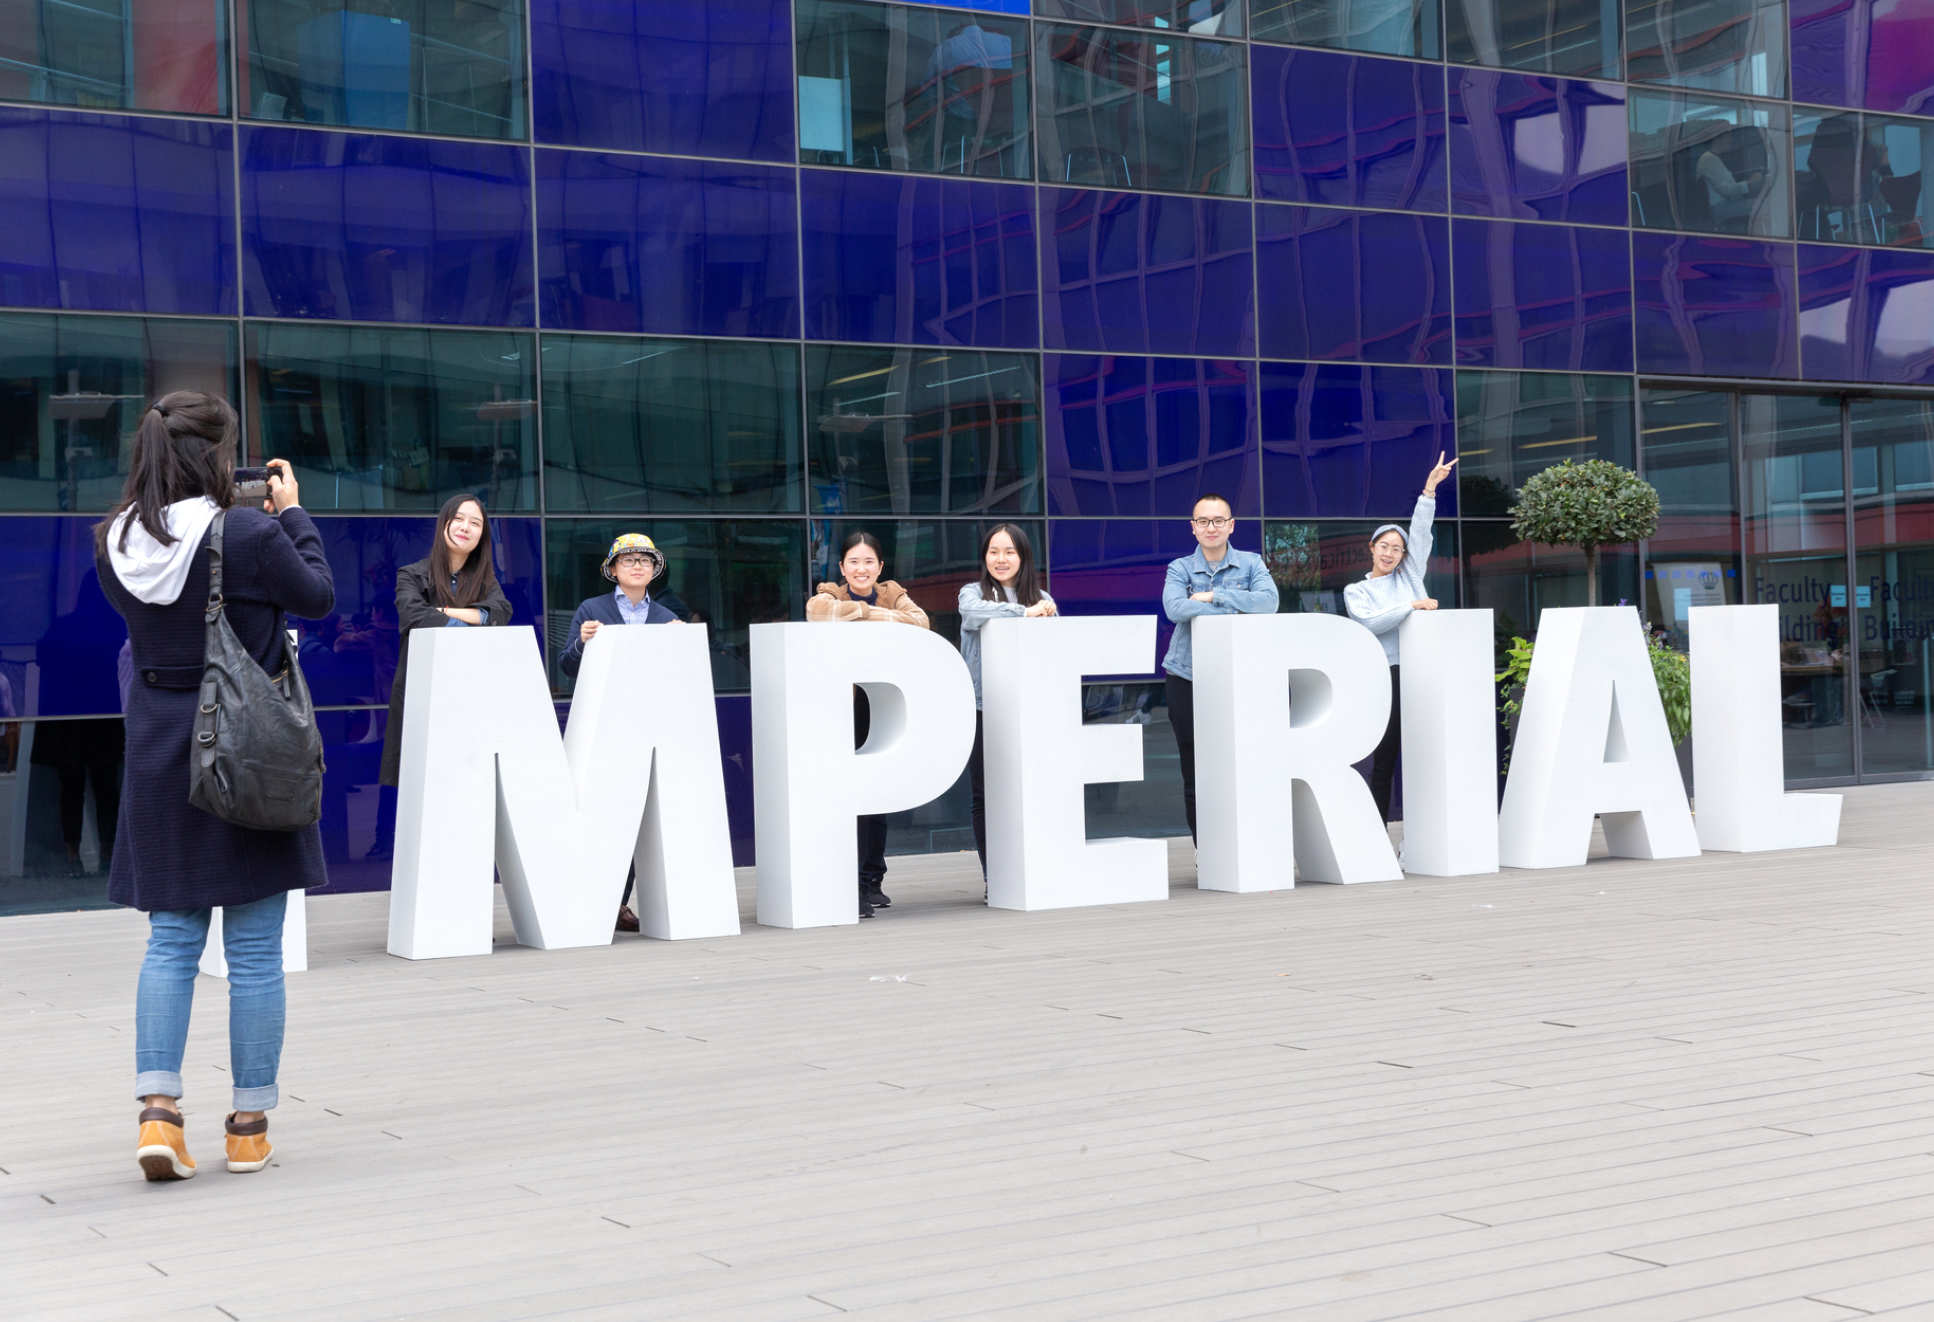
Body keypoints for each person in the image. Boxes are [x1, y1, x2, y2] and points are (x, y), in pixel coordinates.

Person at [93, 391, 334, 1182]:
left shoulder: (115, 540)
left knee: (171, 942)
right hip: (246, 744)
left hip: (163, 748)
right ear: (215, 454)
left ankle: (158, 1115)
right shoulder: (251, 530)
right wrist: (292, 514)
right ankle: (248, 1128)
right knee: (256, 951)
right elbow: (317, 597)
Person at [807, 531, 930, 919]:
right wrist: (865, 613)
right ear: (842, 568)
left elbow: (920, 622)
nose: (862, 569)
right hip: (840, 707)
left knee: (876, 793)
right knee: (848, 795)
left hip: (880, 705)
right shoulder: (830, 593)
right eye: (854, 562)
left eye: (869, 562)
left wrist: (867, 613)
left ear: (880, 567)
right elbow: (816, 612)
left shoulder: (892, 593)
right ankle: (848, 881)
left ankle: (871, 878)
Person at [559, 533, 678, 933]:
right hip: (604, 729)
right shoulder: (591, 610)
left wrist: (684, 641)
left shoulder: (665, 616)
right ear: (612, 570)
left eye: (645, 560)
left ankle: (620, 903)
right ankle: (597, 901)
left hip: (651, 729)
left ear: (654, 569)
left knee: (643, 819)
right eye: (627, 561)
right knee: (602, 815)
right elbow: (566, 666)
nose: (637, 566)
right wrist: (581, 643)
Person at [1343, 452, 1458, 825]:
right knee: (1385, 758)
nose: (1391, 553)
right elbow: (1370, 623)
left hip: (1419, 672)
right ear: (1372, 549)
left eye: (1397, 548)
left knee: (1427, 756)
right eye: (1385, 546)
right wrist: (1412, 606)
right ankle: (1376, 832)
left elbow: (1421, 533)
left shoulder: (1410, 577)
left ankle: (1426, 839)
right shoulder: (1355, 591)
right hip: (1384, 675)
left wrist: (1429, 490)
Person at [1161, 494, 1279, 843]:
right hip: (1187, 676)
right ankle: (1205, 848)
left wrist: (1214, 596)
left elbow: (1269, 603)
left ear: (1231, 525)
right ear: (1193, 528)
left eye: (1218, 521)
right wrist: (1237, 609)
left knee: (1239, 762)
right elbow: (1175, 609)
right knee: (1194, 767)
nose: (1211, 527)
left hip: (1238, 676)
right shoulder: (1180, 568)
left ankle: (1240, 843)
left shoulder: (1252, 564)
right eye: (1203, 521)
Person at [378, 494, 513, 791]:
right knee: (414, 784)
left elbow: (501, 612)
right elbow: (414, 617)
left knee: (467, 781)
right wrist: (471, 623)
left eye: (475, 523)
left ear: (482, 535)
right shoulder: (412, 574)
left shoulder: (487, 580)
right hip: (423, 688)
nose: (466, 527)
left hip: (471, 689)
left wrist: (447, 612)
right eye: (459, 519)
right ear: (444, 525)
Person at [956, 523, 1055, 886]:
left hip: (1030, 709)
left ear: (1023, 556)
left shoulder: (1042, 597)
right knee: (986, 794)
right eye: (994, 552)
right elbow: (973, 615)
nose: (1001, 559)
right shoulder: (972, 594)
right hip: (984, 707)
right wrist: (1024, 614)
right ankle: (995, 877)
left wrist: (1037, 611)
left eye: (1009, 551)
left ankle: (1033, 871)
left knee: (1029, 790)